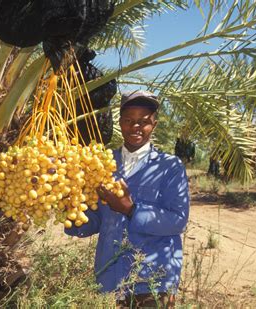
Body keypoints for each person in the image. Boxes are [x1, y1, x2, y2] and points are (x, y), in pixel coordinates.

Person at [65, 91, 190, 308]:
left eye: (144, 122)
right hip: (110, 277)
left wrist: (131, 210)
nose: (136, 127)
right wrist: (70, 207)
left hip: (152, 280)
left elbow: (178, 220)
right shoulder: (102, 162)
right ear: (120, 122)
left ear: (154, 124)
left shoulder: (170, 166)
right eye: (129, 120)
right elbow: (95, 219)